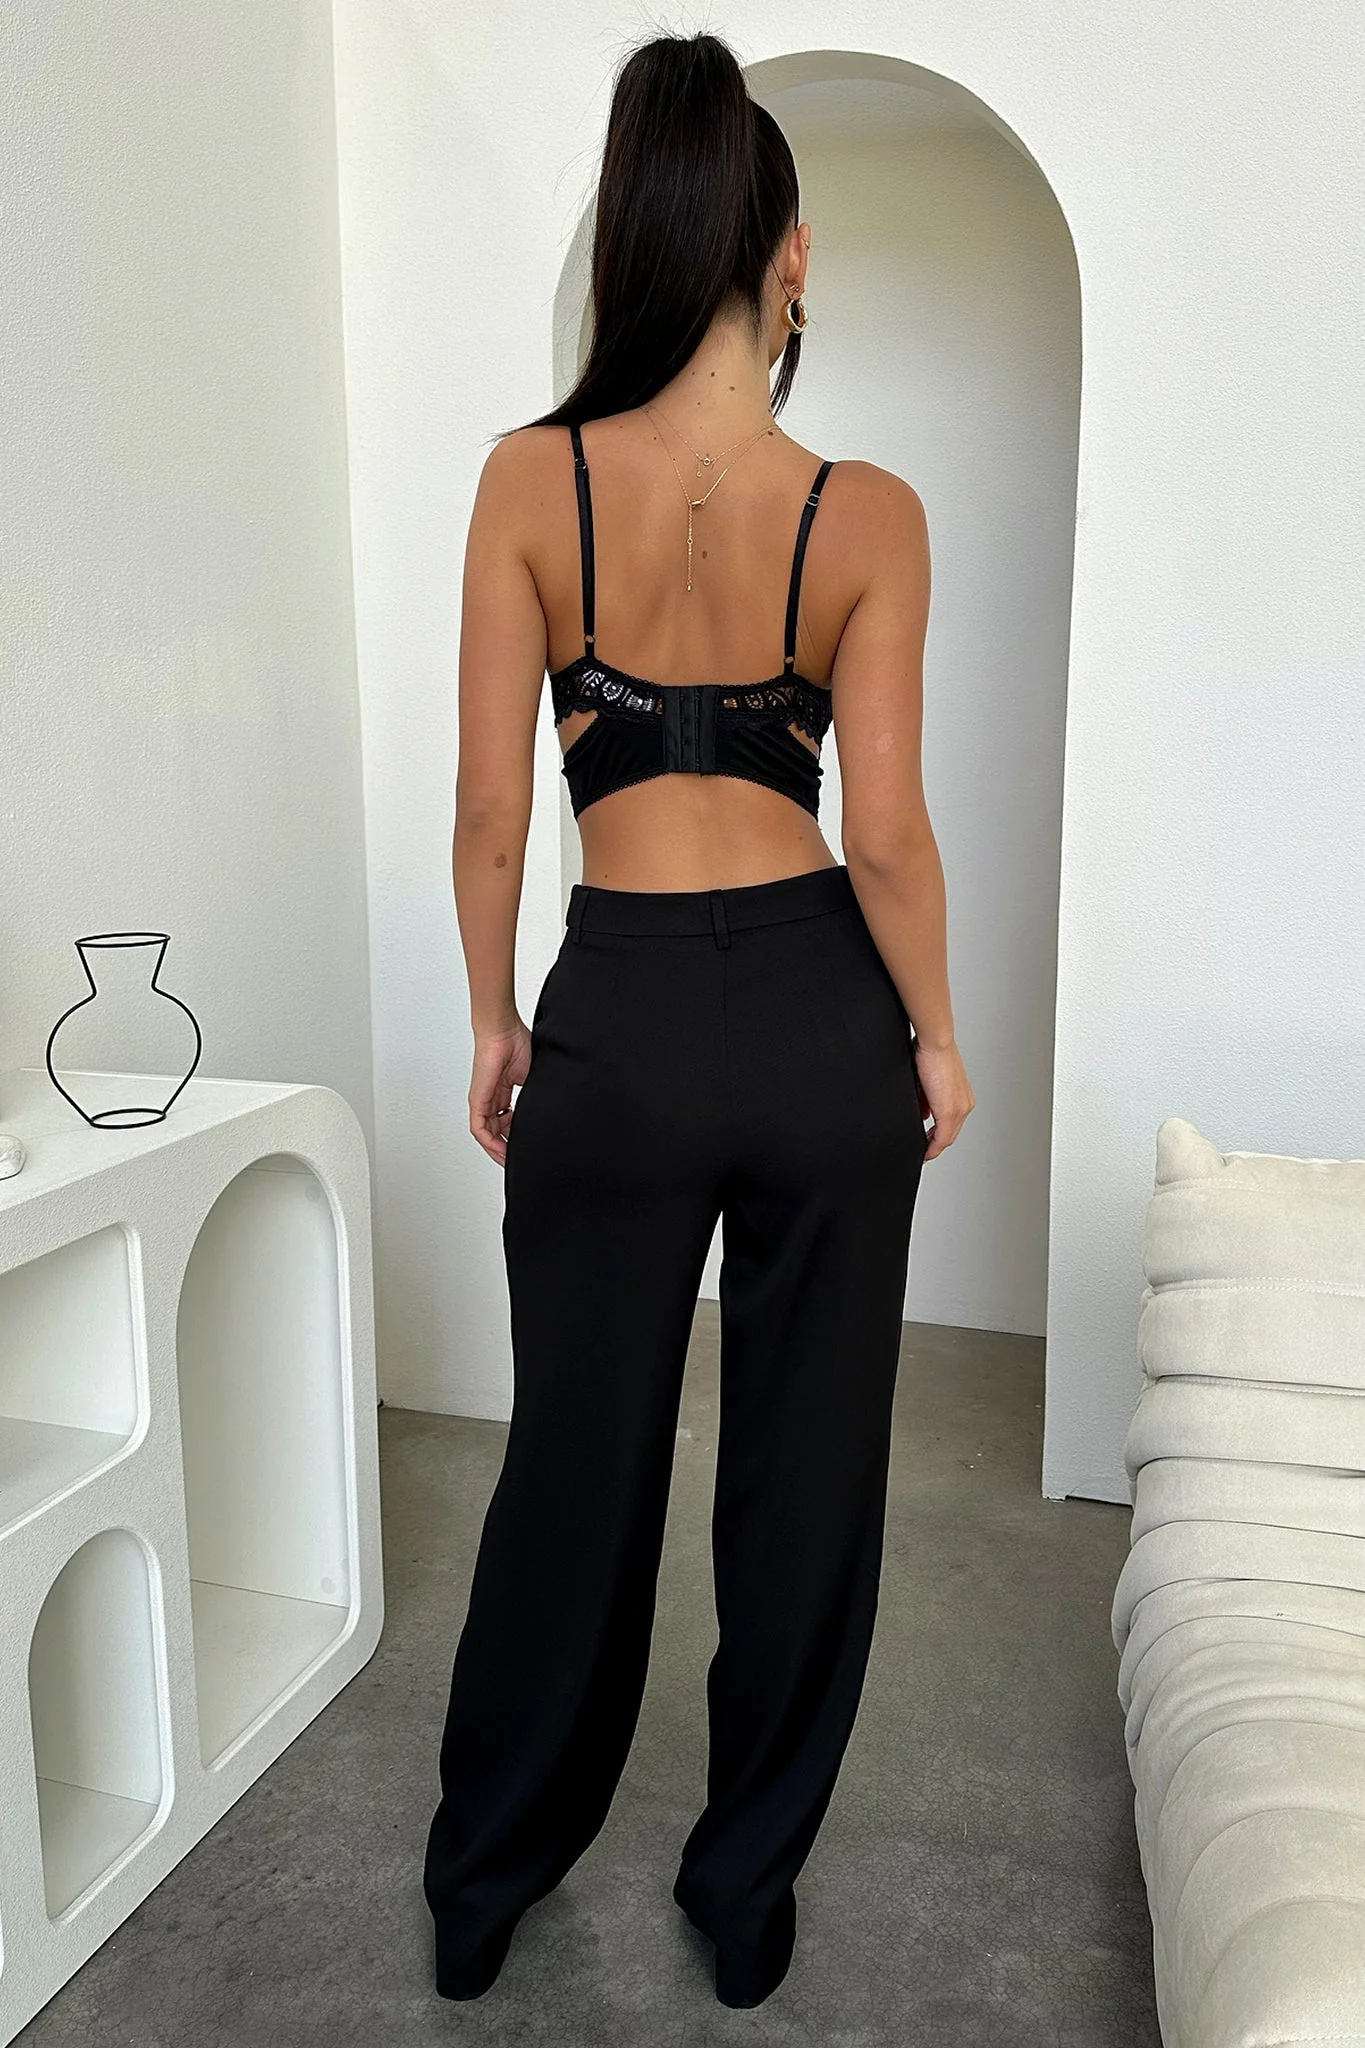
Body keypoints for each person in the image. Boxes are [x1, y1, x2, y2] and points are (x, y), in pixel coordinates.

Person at [423, 27, 974, 2012]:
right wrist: (934, 1035)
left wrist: (497, 1017)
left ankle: (483, 1882)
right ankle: (744, 1898)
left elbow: (493, 812)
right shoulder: (869, 512)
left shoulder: (526, 479)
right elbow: (883, 829)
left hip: (620, 1022)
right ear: (787, 256)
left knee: (573, 1464)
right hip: (820, 1017)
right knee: (806, 1478)